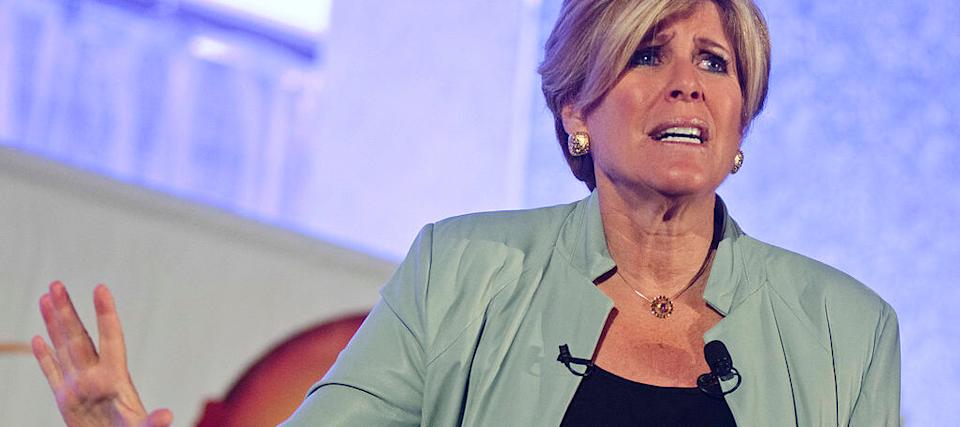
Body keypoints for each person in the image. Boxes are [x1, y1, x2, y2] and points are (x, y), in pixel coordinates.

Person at [34, 0, 901, 426]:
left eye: (714, 61)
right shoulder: (461, 273)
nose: (687, 83)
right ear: (576, 109)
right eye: (647, 53)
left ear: (741, 116)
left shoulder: (848, 333)